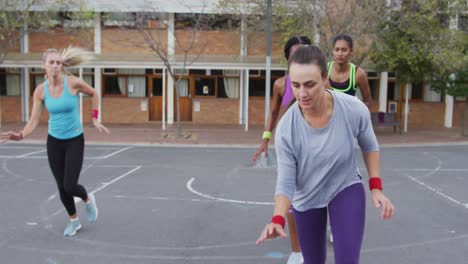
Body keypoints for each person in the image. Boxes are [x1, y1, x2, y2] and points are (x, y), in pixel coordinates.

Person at [256, 45, 394, 264]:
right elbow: (285, 181)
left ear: (324, 77)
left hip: (344, 186)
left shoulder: (353, 109)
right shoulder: (286, 129)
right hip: (307, 197)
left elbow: (370, 145)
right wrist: (277, 218)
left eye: (310, 85)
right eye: (296, 85)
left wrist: (376, 187)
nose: (302, 93)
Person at [0, 46, 110, 237]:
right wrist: (21, 135)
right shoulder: (40, 91)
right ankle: (74, 220)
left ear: (61, 66)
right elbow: (34, 120)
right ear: (44, 65)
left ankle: (87, 198)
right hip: (54, 142)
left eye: (58, 62)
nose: (55, 66)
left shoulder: (73, 83)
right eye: (51, 62)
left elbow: (94, 93)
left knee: (69, 185)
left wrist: (94, 117)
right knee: (61, 186)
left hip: (75, 140)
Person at [252, 36, 311, 264]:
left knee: (315, 196)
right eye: (295, 53)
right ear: (288, 58)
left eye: (305, 52)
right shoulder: (280, 85)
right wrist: (265, 140)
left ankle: (319, 232)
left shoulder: (320, 84)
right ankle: (298, 252)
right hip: (289, 146)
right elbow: (274, 113)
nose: (300, 57)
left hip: (314, 145)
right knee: (292, 200)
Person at [326, 34, 372, 109]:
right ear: (332, 51)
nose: (340, 54)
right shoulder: (324, 70)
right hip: (327, 117)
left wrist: (358, 116)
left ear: (351, 52)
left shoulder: (359, 74)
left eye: (344, 50)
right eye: (337, 50)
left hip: (349, 118)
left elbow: (368, 102)